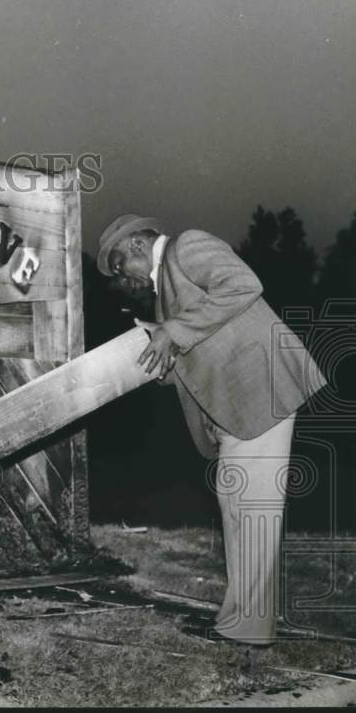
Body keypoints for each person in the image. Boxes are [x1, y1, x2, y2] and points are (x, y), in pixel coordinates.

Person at [96, 214, 327, 646]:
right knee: (237, 510)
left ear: (135, 248)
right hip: (233, 409)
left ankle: (251, 628)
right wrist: (154, 348)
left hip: (263, 392)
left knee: (253, 511)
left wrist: (173, 331)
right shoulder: (164, 290)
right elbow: (197, 350)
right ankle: (237, 621)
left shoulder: (188, 246)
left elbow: (243, 284)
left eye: (117, 267)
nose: (121, 279)